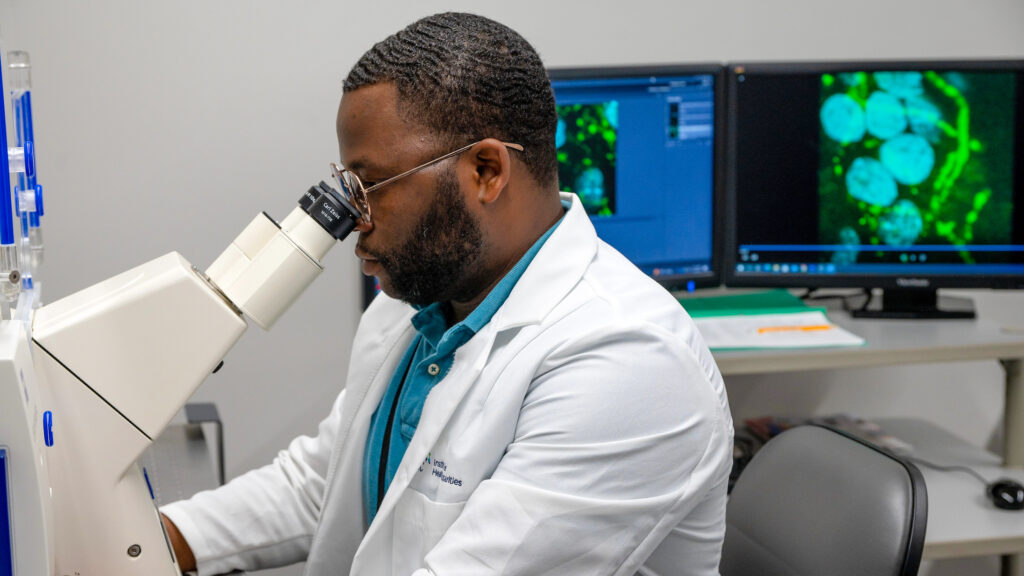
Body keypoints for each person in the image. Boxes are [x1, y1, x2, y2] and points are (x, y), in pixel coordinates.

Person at [160, 12, 733, 576]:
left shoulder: (629, 361)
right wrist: (160, 541)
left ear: (486, 169)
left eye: (370, 188)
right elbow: (322, 487)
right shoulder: (419, 303)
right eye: (348, 190)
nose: (353, 222)